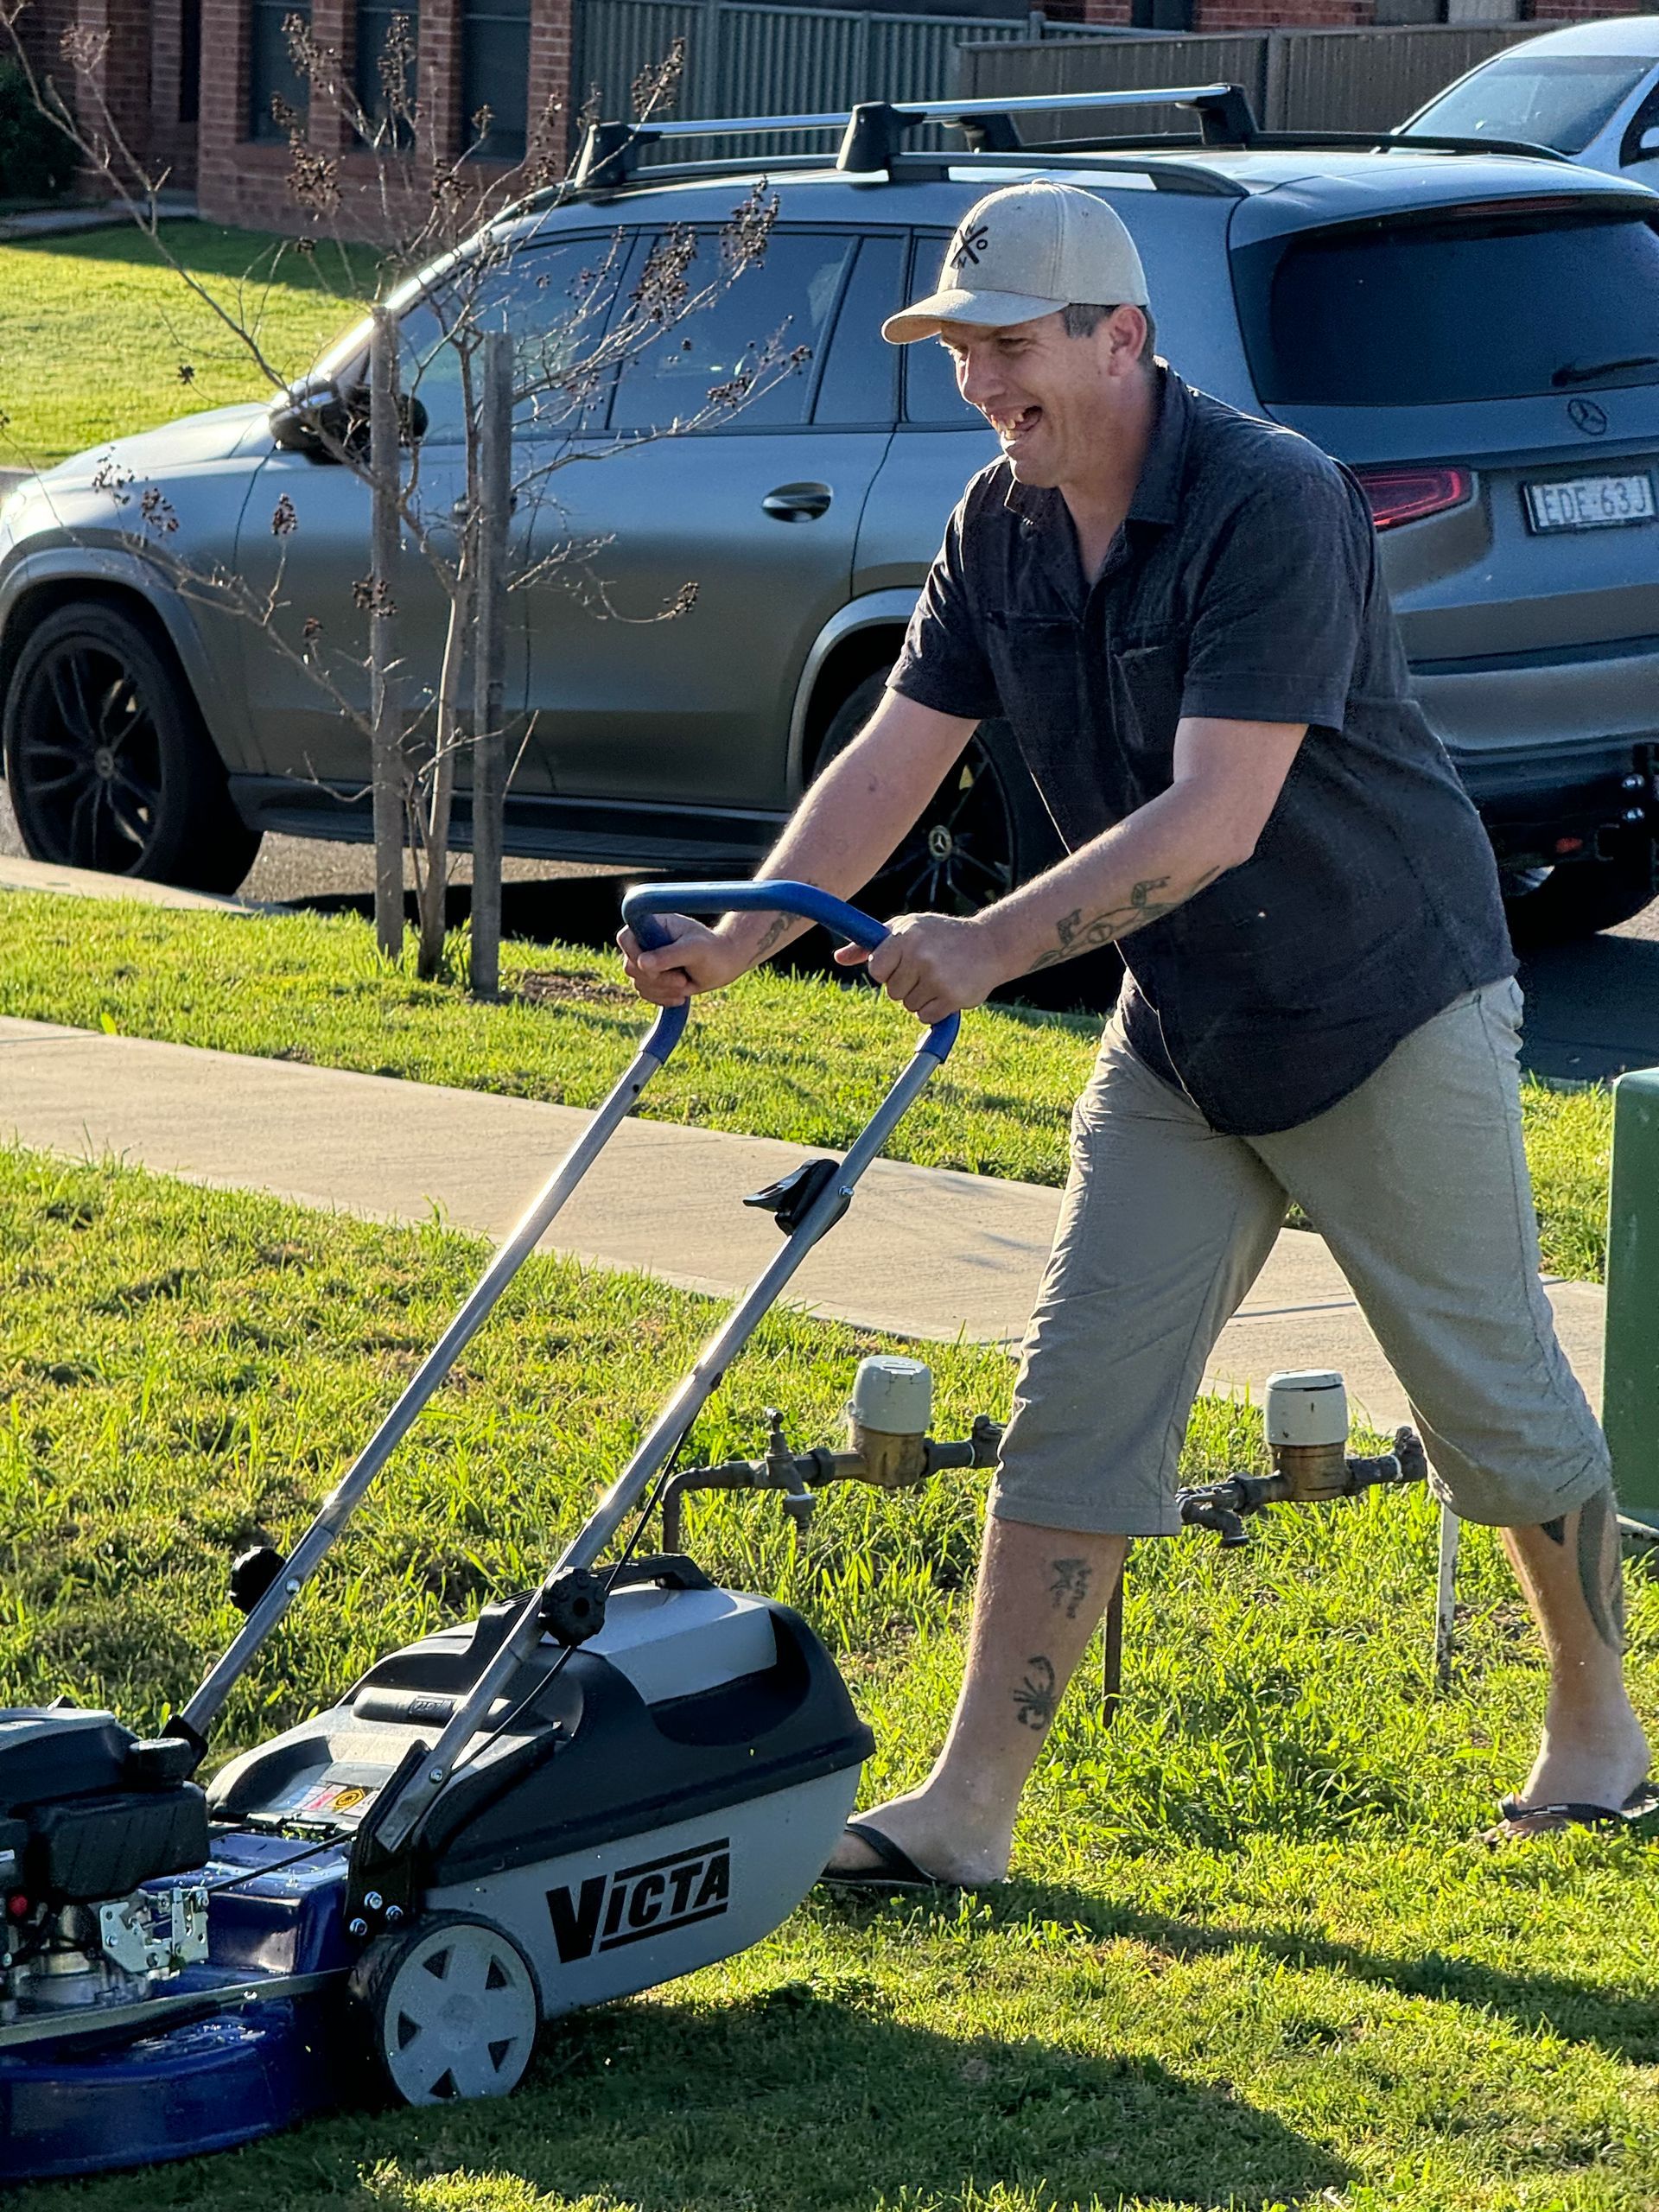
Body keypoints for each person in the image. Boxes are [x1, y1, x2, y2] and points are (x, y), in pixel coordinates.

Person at [620, 180, 1649, 1878]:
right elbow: (897, 750)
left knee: (1492, 1396)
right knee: (1078, 1393)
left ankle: (1598, 1724)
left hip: (1384, 995)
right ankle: (969, 1810)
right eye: (962, 351)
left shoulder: (1273, 502)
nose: (982, 384)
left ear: (1124, 338)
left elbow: (1215, 815)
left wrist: (997, 939)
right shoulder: (997, 524)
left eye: (1011, 348)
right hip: (1185, 1031)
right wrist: (752, 928)